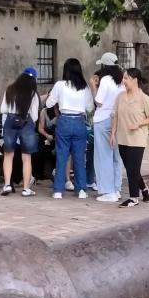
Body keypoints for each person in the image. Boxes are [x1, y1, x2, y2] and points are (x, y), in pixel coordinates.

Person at [45, 57, 94, 198]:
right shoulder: (84, 87)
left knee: (62, 157)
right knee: (79, 157)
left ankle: (58, 191)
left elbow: (48, 104)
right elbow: (90, 108)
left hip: (64, 121)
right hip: (79, 122)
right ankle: (82, 190)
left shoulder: (60, 85)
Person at [111, 67, 149, 207]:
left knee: (132, 170)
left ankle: (133, 198)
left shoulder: (144, 99)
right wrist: (113, 133)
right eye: (123, 78)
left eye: (126, 78)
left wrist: (138, 124)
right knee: (132, 169)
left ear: (135, 80)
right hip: (122, 138)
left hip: (137, 139)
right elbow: (116, 116)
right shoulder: (120, 97)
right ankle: (144, 190)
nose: (123, 81)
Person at [0, 67, 41, 196]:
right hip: (26, 122)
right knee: (26, 157)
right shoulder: (33, 93)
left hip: (10, 121)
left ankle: (7, 185)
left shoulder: (10, 89)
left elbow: (3, 109)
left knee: (8, 155)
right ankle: (26, 188)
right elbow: (35, 116)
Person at [92, 54, 125, 202]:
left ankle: (107, 191)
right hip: (117, 119)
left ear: (104, 66)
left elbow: (99, 102)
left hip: (103, 119)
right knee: (115, 157)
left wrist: (94, 86)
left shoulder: (105, 79)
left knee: (103, 156)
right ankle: (116, 189)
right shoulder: (121, 80)